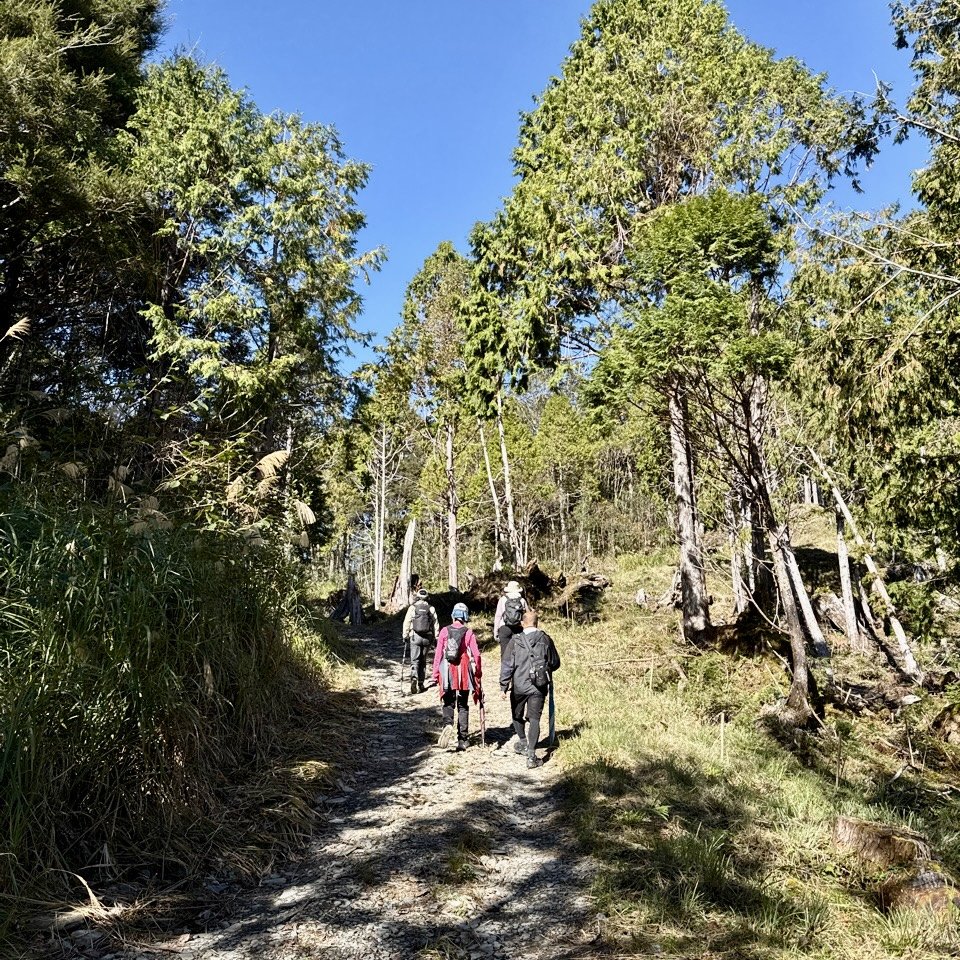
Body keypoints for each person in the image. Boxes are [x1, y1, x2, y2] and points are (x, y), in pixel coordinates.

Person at [500, 607, 560, 769]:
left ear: (522, 623)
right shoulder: (545, 639)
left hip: (519, 686)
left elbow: (507, 665)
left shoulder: (515, 641)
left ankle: (523, 742)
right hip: (538, 686)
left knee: (516, 715)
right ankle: (532, 757)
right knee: (534, 719)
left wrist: (503, 686)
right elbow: (555, 663)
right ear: (537, 623)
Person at [432, 602, 482, 752]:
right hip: (463, 671)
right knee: (463, 704)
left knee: (448, 702)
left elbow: (438, 654)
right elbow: (476, 655)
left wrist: (435, 674)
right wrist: (478, 672)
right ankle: (462, 739)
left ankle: (448, 723)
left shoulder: (444, 631)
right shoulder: (468, 632)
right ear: (465, 616)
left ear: (453, 615)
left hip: (447, 669)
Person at [401, 588, 440, 694]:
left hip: (415, 636)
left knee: (415, 660)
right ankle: (421, 684)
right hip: (427, 638)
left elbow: (407, 622)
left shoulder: (412, 608)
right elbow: (435, 624)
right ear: (427, 597)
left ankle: (414, 678)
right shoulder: (431, 608)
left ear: (418, 596)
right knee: (423, 660)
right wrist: (436, 637)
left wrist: (405, 635)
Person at [493, 580, 527, 657]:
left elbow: (498, 616)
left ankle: (506, 665)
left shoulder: (502, 599)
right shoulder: (522, 600)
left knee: (505, 654)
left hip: (504, 628)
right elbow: (527, 616)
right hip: (518, 629)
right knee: (519, 654)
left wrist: (495, 632)